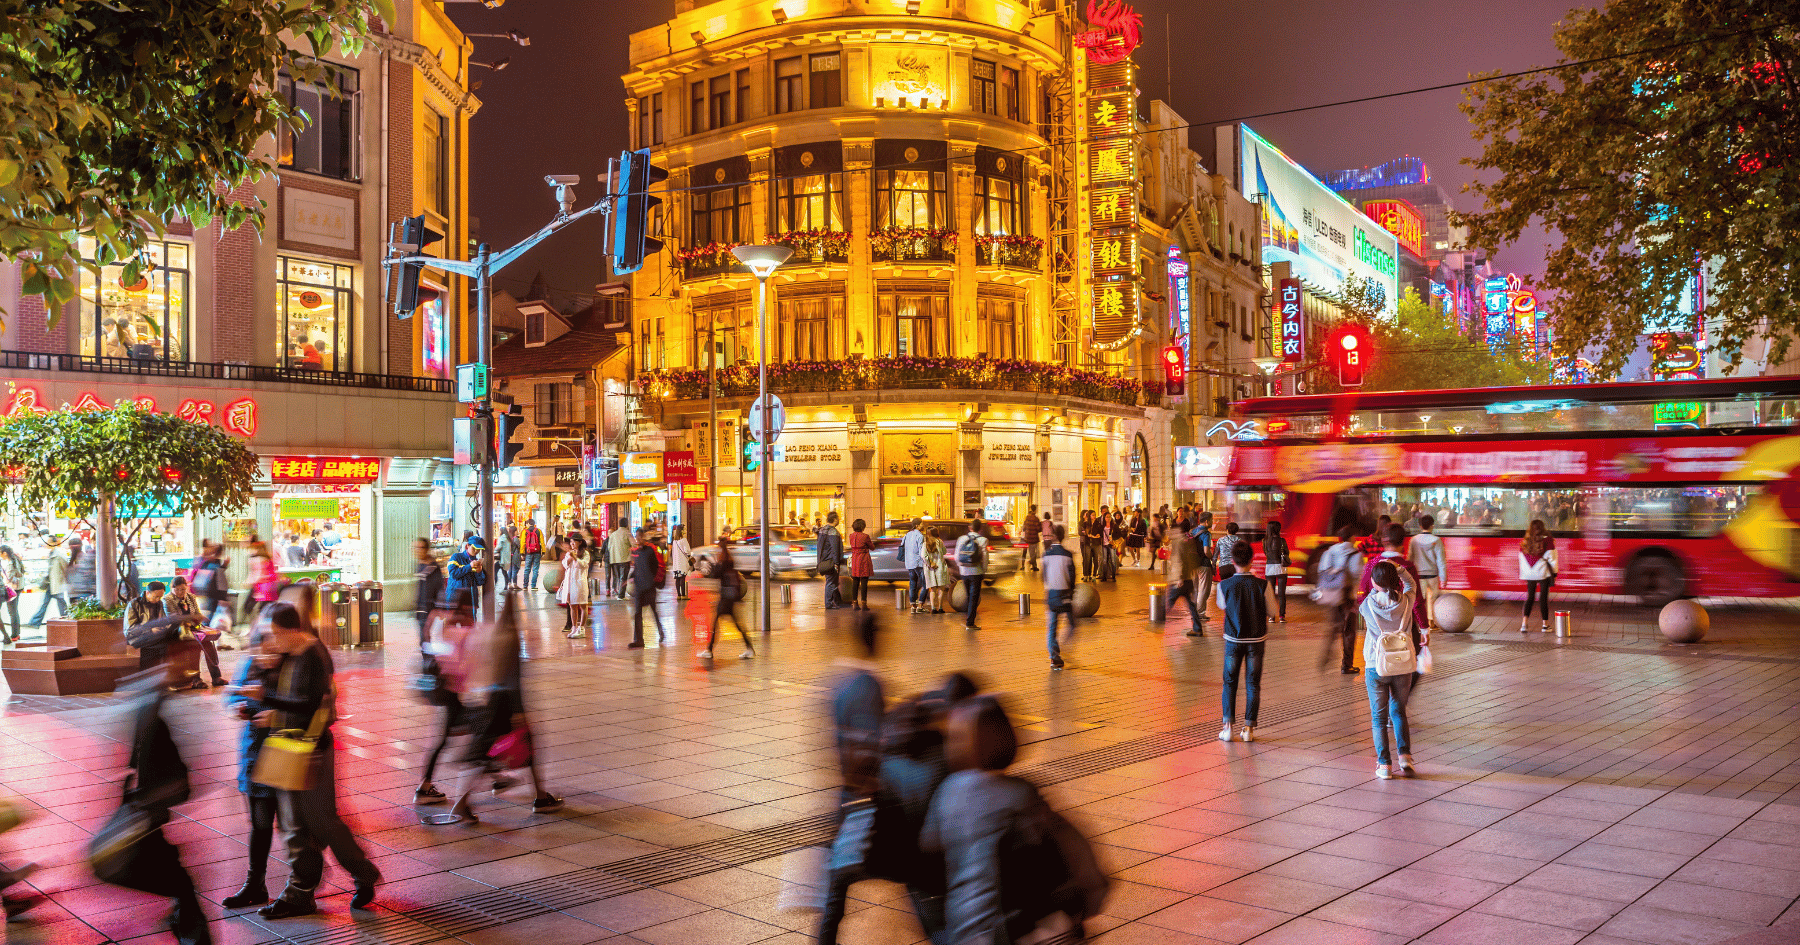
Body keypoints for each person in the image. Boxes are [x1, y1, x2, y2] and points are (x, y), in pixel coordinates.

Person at [921, 695, 1107, 945]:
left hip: (965, 929)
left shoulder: (948, 791)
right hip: (1016, 929)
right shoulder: (1022, 794)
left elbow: (929, 848)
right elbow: (1074, 849)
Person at [241, 602, 381, 918]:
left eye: (274, 634)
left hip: (312, 749)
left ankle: (362, 872)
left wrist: (266, 699)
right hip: (287, 746)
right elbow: (272, 686)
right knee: (294, 825)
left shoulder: (313, 656)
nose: (270, 641)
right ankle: (300, 892)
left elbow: (307, 704)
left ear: (292, 630)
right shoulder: (289, 653)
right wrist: (262, 677)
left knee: (320, 820)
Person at [102, 665, 212, 944]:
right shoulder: (154, 701)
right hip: (150, 801)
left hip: (151, 801)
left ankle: (191, 926)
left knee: (171, 872)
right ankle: (190, 924)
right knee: (172, 871)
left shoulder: (156, 701)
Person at [447, 592, 561, 823]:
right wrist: (519, 711)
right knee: (486, 755)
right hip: (505, 703)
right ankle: (461, 804)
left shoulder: (494, 634)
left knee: (513, 749)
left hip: (488, 698)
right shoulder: (511, 636)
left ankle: (539, 796)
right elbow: (513, 678)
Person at [220, 623, 284, 910]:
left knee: (295, 826)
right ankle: (255, 884)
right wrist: (237, 706)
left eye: (272, 651)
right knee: (259, 824)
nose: (266, 657)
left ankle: (305, 880)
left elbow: (306, 705)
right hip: (255, 754)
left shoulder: (292, 666)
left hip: (286, 754)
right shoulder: (249, 664)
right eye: (260, 652)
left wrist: (276, 716)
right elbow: (232, 694)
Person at [1361, 560, 1421, 779]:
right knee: (1399, 711)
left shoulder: (1367, 605)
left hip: (1376, 666)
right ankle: (1405, 756)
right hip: (1402, 665)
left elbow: (1367, 590)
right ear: (1395, 580)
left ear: (1375, 583)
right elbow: (1412, 584)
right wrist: (1399, 569)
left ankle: (1384, 765)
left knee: (1378, 718)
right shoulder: (1406, 601)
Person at [415, 591, 475, 805]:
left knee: (452, 737)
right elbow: (457, 663)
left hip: (450, 693)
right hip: (450, 693)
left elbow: (430, 646)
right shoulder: (458, 630)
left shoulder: (443, 620)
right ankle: (424, 786)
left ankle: (426, 785)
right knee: (450, 739)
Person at [1215, 541, 1269, 742]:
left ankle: (1227, 728)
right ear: (1251, 559)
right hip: (1256, 641)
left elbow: (1222, 606)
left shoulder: (1225, 584)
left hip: (1232, 640)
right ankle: (1248, 730)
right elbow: (1272, 610)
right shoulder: (1262, 585)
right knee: (1253, 684)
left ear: (1233, 560)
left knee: (1229, 682)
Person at [1357, 524, 1430, 635]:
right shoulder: (1408, 567)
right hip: (1405, 629)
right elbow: (1417, 601)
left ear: (1383, 541)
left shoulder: (1371, 565)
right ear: (1403, 541)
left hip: (1377, 631)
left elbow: (1363, 596)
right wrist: (1424, 627)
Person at [1315, 526, 1364, 675]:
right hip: (1348, 595)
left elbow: (1321, 569)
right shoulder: (1355, 553)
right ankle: (1346, 665)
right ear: (1351, 538)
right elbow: (1357, 573)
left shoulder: (1330, 551)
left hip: (1333, 594)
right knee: (1349, 630)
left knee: (1334, 625)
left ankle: (1327, 653)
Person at [166, 576, 226, 688]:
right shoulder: (167, 599)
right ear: (172, 589)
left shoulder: (191, 597)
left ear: (186, 588)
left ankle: (216, 677)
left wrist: (196, 618)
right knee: (195, 648)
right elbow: (173, 618)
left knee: (209, 647)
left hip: (194, 629)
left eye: (183, 589)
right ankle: (196, 679)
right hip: (179, 632)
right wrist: (193, 617)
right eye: (177, 589)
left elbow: (197, 613)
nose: (180, 592)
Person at [700, 539, 751, 661]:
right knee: (735, 624)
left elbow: (715, 574)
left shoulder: (723, 562)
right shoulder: (729, 560)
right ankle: (749, 648)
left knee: (715, 624)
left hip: (726, 598)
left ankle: (709, 650)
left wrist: (707, 567)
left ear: (720, 549)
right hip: (730, 596)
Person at [1161, 517, 1205, 637]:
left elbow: (1178, 559)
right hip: (1188, 578)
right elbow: (1192, 559)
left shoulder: (1179, 541)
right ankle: (1197, 628)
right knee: (1191, 605)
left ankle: (1158, 621)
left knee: (1168, 601)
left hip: (1178, 579)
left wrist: (1179, 577)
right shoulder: (1189, 540)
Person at [1043, 524, 1077, 670]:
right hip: (1065, 594)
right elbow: (1072, 576)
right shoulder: (1068, 555)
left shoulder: (1046, 554)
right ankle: (1062, 645)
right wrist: (1071, 590)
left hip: (1051, 594)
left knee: (1052, 626)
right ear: (1063, 537)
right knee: (1072, 624)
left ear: (1053, 536)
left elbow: (1043, 575)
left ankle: (1054, 656)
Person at [627, 528, 667, 650]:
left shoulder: (650, 551)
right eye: (636, 536)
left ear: (643, 537)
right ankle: (639, 640)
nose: (638, 539)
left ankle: (660, 631)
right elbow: (637, 568)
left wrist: (651, 580)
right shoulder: (636, 552)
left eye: (640, 536)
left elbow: (655, 566)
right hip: (639, 587)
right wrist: (631, 577)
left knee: (653, 611)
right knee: (637, 613)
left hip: (649, 586)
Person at [1518, 519, 1558, 633]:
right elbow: (1553, 559)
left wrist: (1527, 572)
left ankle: (1524, 624)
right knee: (1543, 598)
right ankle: (1545, 625)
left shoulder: (1525, 541)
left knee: (1530, 597)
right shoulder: (1548, 541)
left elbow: (1521, 558)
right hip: (1542, 573)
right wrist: (1554, 573)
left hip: (1529, 574)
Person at [1409, 514, 1447, 631]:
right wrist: (1443, 578)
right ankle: (1432, 622)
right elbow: (1441, 560)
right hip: (1433, 575)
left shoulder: (1414, 540)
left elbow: (1410, 557)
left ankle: (1422, 622)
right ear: (1432, 526)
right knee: (1433, 599)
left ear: (1420, 526)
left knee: (1421, 600)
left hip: (1418, 575)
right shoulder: (1436, 540)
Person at [954, 519, 987, 631]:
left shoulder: (962, 539)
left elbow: (956, 556)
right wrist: (983, 570)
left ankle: (969, 619)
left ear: (970, 528)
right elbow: (985, 558)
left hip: (964, 572)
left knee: (969, 596)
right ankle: (970, 623)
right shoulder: (983, 540)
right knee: (974, 598)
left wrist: (961, 567)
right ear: (980, 529)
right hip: (976, 572)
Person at [26, 541, 69, 627]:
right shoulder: (51, 554)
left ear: (53, 543)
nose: (46, 544)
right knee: (46, 603)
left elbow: (66, 568)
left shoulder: (59, 555)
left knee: (60, 603)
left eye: (48, 542)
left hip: (57, 584)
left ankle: (66, 620)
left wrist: (65, 580)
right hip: (51, 584)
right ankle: (34, 622)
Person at [446, 535, 488, 617]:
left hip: (470, 601)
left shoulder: (477, 562)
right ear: (467, 546)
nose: (476, 551)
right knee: (452, 626)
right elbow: (453, 574)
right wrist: (469, 566)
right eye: (474, 548)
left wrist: (479, 572)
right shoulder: (456, 557)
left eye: (478, 549)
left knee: (470, 627)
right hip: (455, 599)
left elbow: (480, 582)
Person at [558, 536, 591, 637]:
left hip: (580, 583)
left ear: (580, 542)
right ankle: (574, 627)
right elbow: (565, 564)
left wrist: (575, 558)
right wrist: (570, 558)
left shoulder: (585, 553)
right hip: (570, 582)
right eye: (571, 542)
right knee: (572, 605)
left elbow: (584, 565)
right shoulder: (569, 553)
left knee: (583, 605)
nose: (571, 544)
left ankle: (581, 628)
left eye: (573, 542)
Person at [413, 538, 445, 639]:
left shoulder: (433, 567)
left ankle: (428, 655)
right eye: (415, 548)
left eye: (421, 548)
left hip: (429, 607)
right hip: (421, 607)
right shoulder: (420, 565)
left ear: (426, 549)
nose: (417, 550)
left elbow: (439, 588)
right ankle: (427, 654)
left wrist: (439, 608)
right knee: (424, 637)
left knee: (424, 637)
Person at [1262, 520, 1291, 623]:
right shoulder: (1282, 540)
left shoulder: (1265, 541)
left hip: (1269, 568)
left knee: (1270, 593)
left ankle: (1271, 616)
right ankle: (1282, 616)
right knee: (1281, 593)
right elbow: (1287, 553)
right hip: (1281, 568)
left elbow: (1266, 553)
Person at [816, 512, 844, 609]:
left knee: (832, 581)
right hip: (831, 561)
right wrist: (836, 563)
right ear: (835, 519)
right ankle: (829, 603)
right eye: (838, 518)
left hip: (823, 560)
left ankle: (837, 601)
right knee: (831, 582)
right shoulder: (833, 532)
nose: (839, 520)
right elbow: (835, 549)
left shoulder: (822, 530)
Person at [902, 519, 927, 614]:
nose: (923, 525)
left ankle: (913, 606)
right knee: (925, 584)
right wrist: (927, 562)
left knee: (912, 584)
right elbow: (922, 551)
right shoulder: (920, 536)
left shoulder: (907, 534)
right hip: (918, 563)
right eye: (921, 524)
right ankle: (920, 605)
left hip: (909, 562)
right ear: (917, 525)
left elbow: (902, 546)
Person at [847, 519, 873, 610]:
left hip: (855, 559)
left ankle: (854, 603)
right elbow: (872, 547)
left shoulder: (851, 536)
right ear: (863, 526)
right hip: (863, 559)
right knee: (864, 581)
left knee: (855, 581)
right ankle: (864, 603)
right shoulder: (865, 536)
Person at [923, 529, 949, 615]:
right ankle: (940, 608)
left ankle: (933, 608)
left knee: (932, 589)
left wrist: (930, 563)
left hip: (930, 569)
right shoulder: (940, 541)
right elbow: (944, 552)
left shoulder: (925, 543)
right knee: (941, 589)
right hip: (940, 567)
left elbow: (923, 555)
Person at [1, 544, 22, 642]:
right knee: (14, 612)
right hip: (17, 588)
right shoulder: (15, 559)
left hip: (12, 589)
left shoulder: (10, 563)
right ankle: (16, 633)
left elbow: (9, 579)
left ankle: (14, 635)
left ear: (4, 553)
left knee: (12, 612)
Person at [606, 522, 632, 600]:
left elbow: (609, 547)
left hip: (614, 560)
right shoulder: (627, 533)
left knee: (618, 577)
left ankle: (620, 593)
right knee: (623, 578)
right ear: (627, 525)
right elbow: (634, 545)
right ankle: (621, 595)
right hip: (624, 559)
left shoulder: (613, 534)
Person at [670, 525, 693, 600]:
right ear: (682, 531)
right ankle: (683, 595)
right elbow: (687, 551)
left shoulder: (674, 541)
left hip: (676, 562)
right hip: (682, 562)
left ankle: (678, 595)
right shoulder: (684, 540)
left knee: (677, 579)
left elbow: (673, 552)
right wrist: (689, 556)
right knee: (683, 578)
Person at [520, 520, 544, 590]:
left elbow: (523, 543)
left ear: (528, 524)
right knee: (535, 569)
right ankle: (533, 586)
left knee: (527, 569)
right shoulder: (538, 531)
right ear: (534, 524)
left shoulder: (525, 531)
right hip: (537, 552)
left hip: (528, 553)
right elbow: (542, 541)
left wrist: (522, 553)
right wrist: (544, 551)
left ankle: (525, 586)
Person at [493, 528, 514, 593]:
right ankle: (506, 586)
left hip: (501, 559)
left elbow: (499, 547)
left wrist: (494, 551)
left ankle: (494, 584)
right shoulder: (508, 538)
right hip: (506, 559)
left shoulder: (502, 538)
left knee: (494, 571)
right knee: (504, 573)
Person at [1021, 506, 1042, 572]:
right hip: (1033, 538)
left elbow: (1024, 528)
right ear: (1035, 510)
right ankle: (1034, 566)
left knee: (1025, 552)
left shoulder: (1027, 518)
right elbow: (1039, 529)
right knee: (1033, 553)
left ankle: (1022, 566)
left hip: (1027, 538)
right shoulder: (1036, 519)